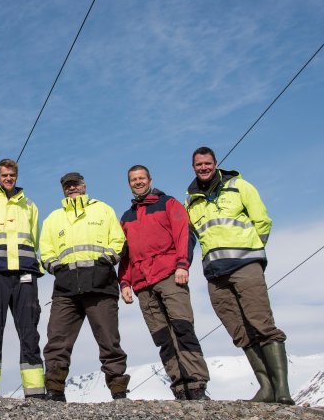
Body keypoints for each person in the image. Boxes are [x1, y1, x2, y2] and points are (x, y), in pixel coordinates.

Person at [185, 147, 293, 405]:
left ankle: (283, 392)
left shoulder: (240, 186)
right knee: (239, 331)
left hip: (246, 265)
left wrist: (254, 249)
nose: (203, 167)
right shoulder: (190, 201)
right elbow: (190, 237)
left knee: (262, 323)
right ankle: (266, 388)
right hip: (215, 275)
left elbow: (262, 221)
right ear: (193, 167)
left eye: (207, 163)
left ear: (215, 163)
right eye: (199, 164)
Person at [119, 165, 210, 400]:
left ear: (150, 179)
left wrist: (182, 265)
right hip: (142, 284)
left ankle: (197, 384)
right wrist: (125, 282)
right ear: (129, 183)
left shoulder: (168, 203)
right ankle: (179, 386)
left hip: (170, 275)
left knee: (182, 328)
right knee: (162, 337)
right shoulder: (127, 217)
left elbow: (183, 235)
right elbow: (125, 254)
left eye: (141, 178)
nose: (138, 182)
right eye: (133, 179)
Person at [40, 172, 130, 401]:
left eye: (75, 184)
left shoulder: (103, 210)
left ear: (84, 185)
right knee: (57, 340)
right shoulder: (53, 218)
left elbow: (118, 241)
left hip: (100, 285)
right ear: (63, 189)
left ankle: (118, 390)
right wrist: (57, 269)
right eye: (67, 185)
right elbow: (46, 251)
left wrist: (104, 263)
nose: (72, 188)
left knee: (109, 340)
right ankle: (55, 389)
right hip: (66, 288)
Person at [0, 159, 45, 399]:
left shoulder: (29, 205)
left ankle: (34, 391)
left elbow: (35, 239)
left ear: (16, 175)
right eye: (4, 175)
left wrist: (33, 267)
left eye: (12, 174)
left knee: (29, 330)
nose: (8, 178)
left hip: (24, 273)